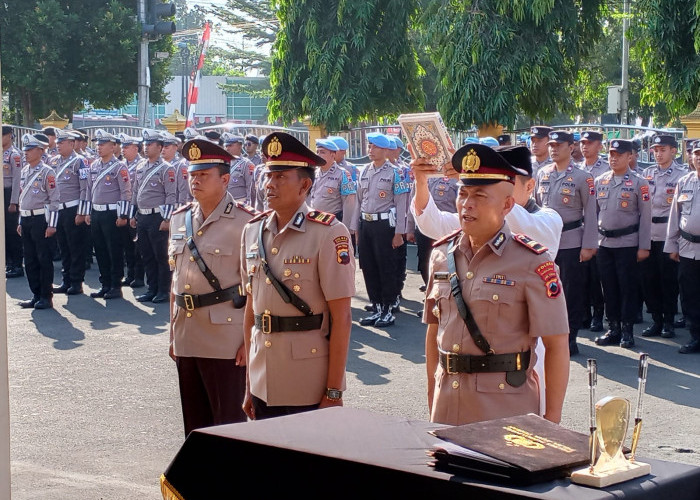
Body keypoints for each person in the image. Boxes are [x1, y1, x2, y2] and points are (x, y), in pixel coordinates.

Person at [423, 143, 569, 426]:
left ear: (506, 205)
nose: (467, 204)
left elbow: (557, 344)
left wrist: (551, 420)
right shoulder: (442, 255)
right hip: (447, 406)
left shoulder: (532, 262)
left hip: (505, 409)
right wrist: (433, 396)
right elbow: (433, 334)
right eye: (463, 193)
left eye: (480, 195)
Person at [240, 131, 355, 420]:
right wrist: (249, 383)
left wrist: (333, 391)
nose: (270, 184)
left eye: (280, 177)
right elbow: (251, 311)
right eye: (268, 176)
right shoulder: (252, 231)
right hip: (262, 377)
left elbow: (341, 318)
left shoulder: (328, 233)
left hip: (307, 381)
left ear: (304, 184)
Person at [169, 138, 257, 436]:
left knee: (228, 422)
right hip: (187, 334)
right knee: (194, 424)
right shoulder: (180, 219)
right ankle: (199, 481)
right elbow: (176, 280)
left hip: (227, 338)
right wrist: (172, 332)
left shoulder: (247, 222)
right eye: (193, 174)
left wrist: (249, 340)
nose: (196, 180)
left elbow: (256, 288)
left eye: (204, 175)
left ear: (225, 179)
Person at [535, 130, 597, 354]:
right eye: (551, 145)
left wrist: (589, 245)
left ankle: (570, 336)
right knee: (544, 289)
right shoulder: (542, 174)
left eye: (558, 145)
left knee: (571, 291)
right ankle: (546, 334)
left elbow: (590, 213)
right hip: (544, 242)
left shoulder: (583, 177)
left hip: (571, 240)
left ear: (571, 147)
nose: (553, 149)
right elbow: (534, 209)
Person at [592, 140, 651, 349]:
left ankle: (627, 331)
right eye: (611, 154)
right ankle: (613, 328)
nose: (614, 158)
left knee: (627, 288)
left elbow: (645, 217)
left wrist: (644, 246)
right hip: (604, 243)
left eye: (619, 154)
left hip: (628, 243)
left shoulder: (639, 182)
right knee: (608, 288)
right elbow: (594, 215)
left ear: (630, 157)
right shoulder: (600, 181)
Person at [350, 132, 410, 327]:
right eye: (369, 146)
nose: (371, 150)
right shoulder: (364, 171)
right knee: (368, 266)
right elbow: (358, 201)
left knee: (386, 267)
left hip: (386, 226)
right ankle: (375, 307)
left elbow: (402, 205)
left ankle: (387, 309)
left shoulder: (396, 172)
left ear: (385, 150)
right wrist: (355, 228)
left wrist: (399, 233)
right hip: (366, 224)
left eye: (375, 147)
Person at [640, 134, 685, 338]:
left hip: (668, 235)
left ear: (673, 151)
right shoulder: (646, 174)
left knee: (668, 281)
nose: (658, 153)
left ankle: (668, 321)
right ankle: (656, 320)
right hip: (648, 234)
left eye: (663, 150)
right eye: (655, 150)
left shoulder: (681, 175)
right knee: (649, 280)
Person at [82, 129, 132, 300]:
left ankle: (115, 285)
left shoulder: (119, 167)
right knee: (101, 250)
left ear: (113, 147)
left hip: (112, 214)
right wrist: (88, 211)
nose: (99, 148)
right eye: (97, 145)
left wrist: (123, 215)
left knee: (114, 250)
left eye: (102, 145)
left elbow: (126, 192)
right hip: (96, 212)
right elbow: (88, 189)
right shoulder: (94, 165)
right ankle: (105, 284)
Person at [129, 129, 177, 304]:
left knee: (161, 256)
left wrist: (167, 219)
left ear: (159, 147)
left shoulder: (167, 169)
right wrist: (133, 214)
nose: (146, 148)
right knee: (146, 254)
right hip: (142, 216)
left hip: (158, 217)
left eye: (150, 145)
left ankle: (164, 290)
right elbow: (135, 191)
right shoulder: (141, 166)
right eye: (145, 144)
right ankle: (152, 288)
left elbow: (171, 196)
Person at [17, 133, 60, 309]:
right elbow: (23, 198)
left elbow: (55, 200)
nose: (26, 153)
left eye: (30, 150)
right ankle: (35, 294)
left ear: (40, 151)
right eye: (25, 150)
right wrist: (20, 220)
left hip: (41, 219)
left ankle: (45, 296)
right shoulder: (25, 171)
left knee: (43, 258)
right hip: (26, 218)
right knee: (30, 259)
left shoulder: (47, 172)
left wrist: (52, 225)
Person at [665, 141, 700, 353]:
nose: (698, 158)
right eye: (696, 154)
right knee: (690, 294)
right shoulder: (684, 181)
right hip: (687, 247)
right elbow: (674, 216)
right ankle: (696, 335)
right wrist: (672, 245)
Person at [51, 129, 89, 295]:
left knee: (75, 248)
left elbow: (85, 188)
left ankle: (76, 282)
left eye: (62, 142)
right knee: (64, 247)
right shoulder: (54, 161)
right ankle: (65, 280)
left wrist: (81, 212)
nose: (58, 145)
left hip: (73, 209)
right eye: (57, 142)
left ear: (72, 144)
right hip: (58, 210)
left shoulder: (80, 162)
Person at [579, 130, 610, 332]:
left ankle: (599, 315)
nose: (585, 146)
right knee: (581, 276)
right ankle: (583, 314)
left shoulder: (607, 170)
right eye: (582, 143)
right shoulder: (575, 168)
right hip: (578, 228)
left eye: (589, 143)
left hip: (597, 229)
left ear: (599, 145)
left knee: (596, 276)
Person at [308, 137, 357, 223]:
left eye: (322, 152)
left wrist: (346, 227)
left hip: (332, 222)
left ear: (332, 155)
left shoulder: (343, 174)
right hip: (314, 221)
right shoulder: (314, 173)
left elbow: (349, 203)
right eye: (317, 152)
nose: (318, 155)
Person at [3, 124, 24, 278]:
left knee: (12, 231)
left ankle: (17, 264)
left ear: (9, 135)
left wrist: (14, 201)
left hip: (9, 194)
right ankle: (7, 262)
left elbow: (17, 180)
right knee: (2, 232)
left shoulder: (14, 154)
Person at [221, 132, 255, 204]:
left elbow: (250, 187)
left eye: (230, 145)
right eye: (226, 146)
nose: (227, 148)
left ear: (239, 146)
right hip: (224, 203)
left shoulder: (246, 164)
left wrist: (249, 204)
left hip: (240, 203)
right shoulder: (222, 163)